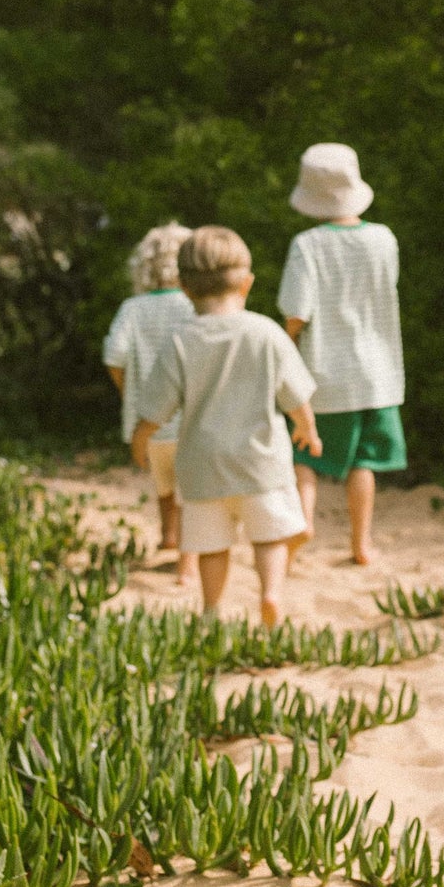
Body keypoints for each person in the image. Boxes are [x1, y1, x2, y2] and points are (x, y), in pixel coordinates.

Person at [131, 225, 321, 628]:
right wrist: (309, 430)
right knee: (268, 538)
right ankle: (270, 594)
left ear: (185, 287)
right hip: (261, 463)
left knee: (212, 546)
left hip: (203, 468)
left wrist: (140, 439)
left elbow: (155, 408)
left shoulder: (181, 340)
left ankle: (211, 610)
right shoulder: (266, 332)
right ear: (247, 283)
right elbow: (296, 396)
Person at [277, 142, 405, 567]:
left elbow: (297, 311)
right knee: (363, 461)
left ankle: (303, 522)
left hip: (325, 369)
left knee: (304, 453)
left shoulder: (307, 245)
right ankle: (361, 545)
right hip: (379, 371)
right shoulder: (384, 239)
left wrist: (285, 348)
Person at [102, 222, 197, 580]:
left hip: (148, 421)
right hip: (189, 416)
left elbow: (115, 355)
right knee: (190, 489)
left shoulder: (133, 308)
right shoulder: (192, 304)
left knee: (163, 483)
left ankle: (167, 538)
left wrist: (129, 392)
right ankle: (187, 564)